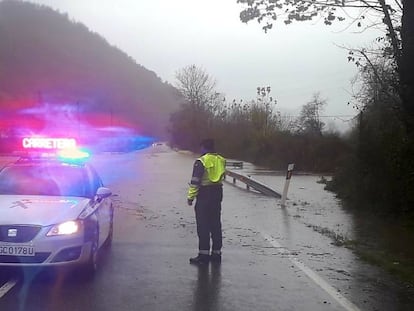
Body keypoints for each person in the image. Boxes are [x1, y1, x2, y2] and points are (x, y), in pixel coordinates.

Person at [187, 138, 226, 265]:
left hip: (204, 195)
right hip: (217, 193)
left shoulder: (201, 161)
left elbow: (195, 182)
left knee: (203, 225)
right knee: (215, 224)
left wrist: (190, 197)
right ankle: (216, 254)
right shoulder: (221, 160)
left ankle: (203, 256)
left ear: (204, 147)